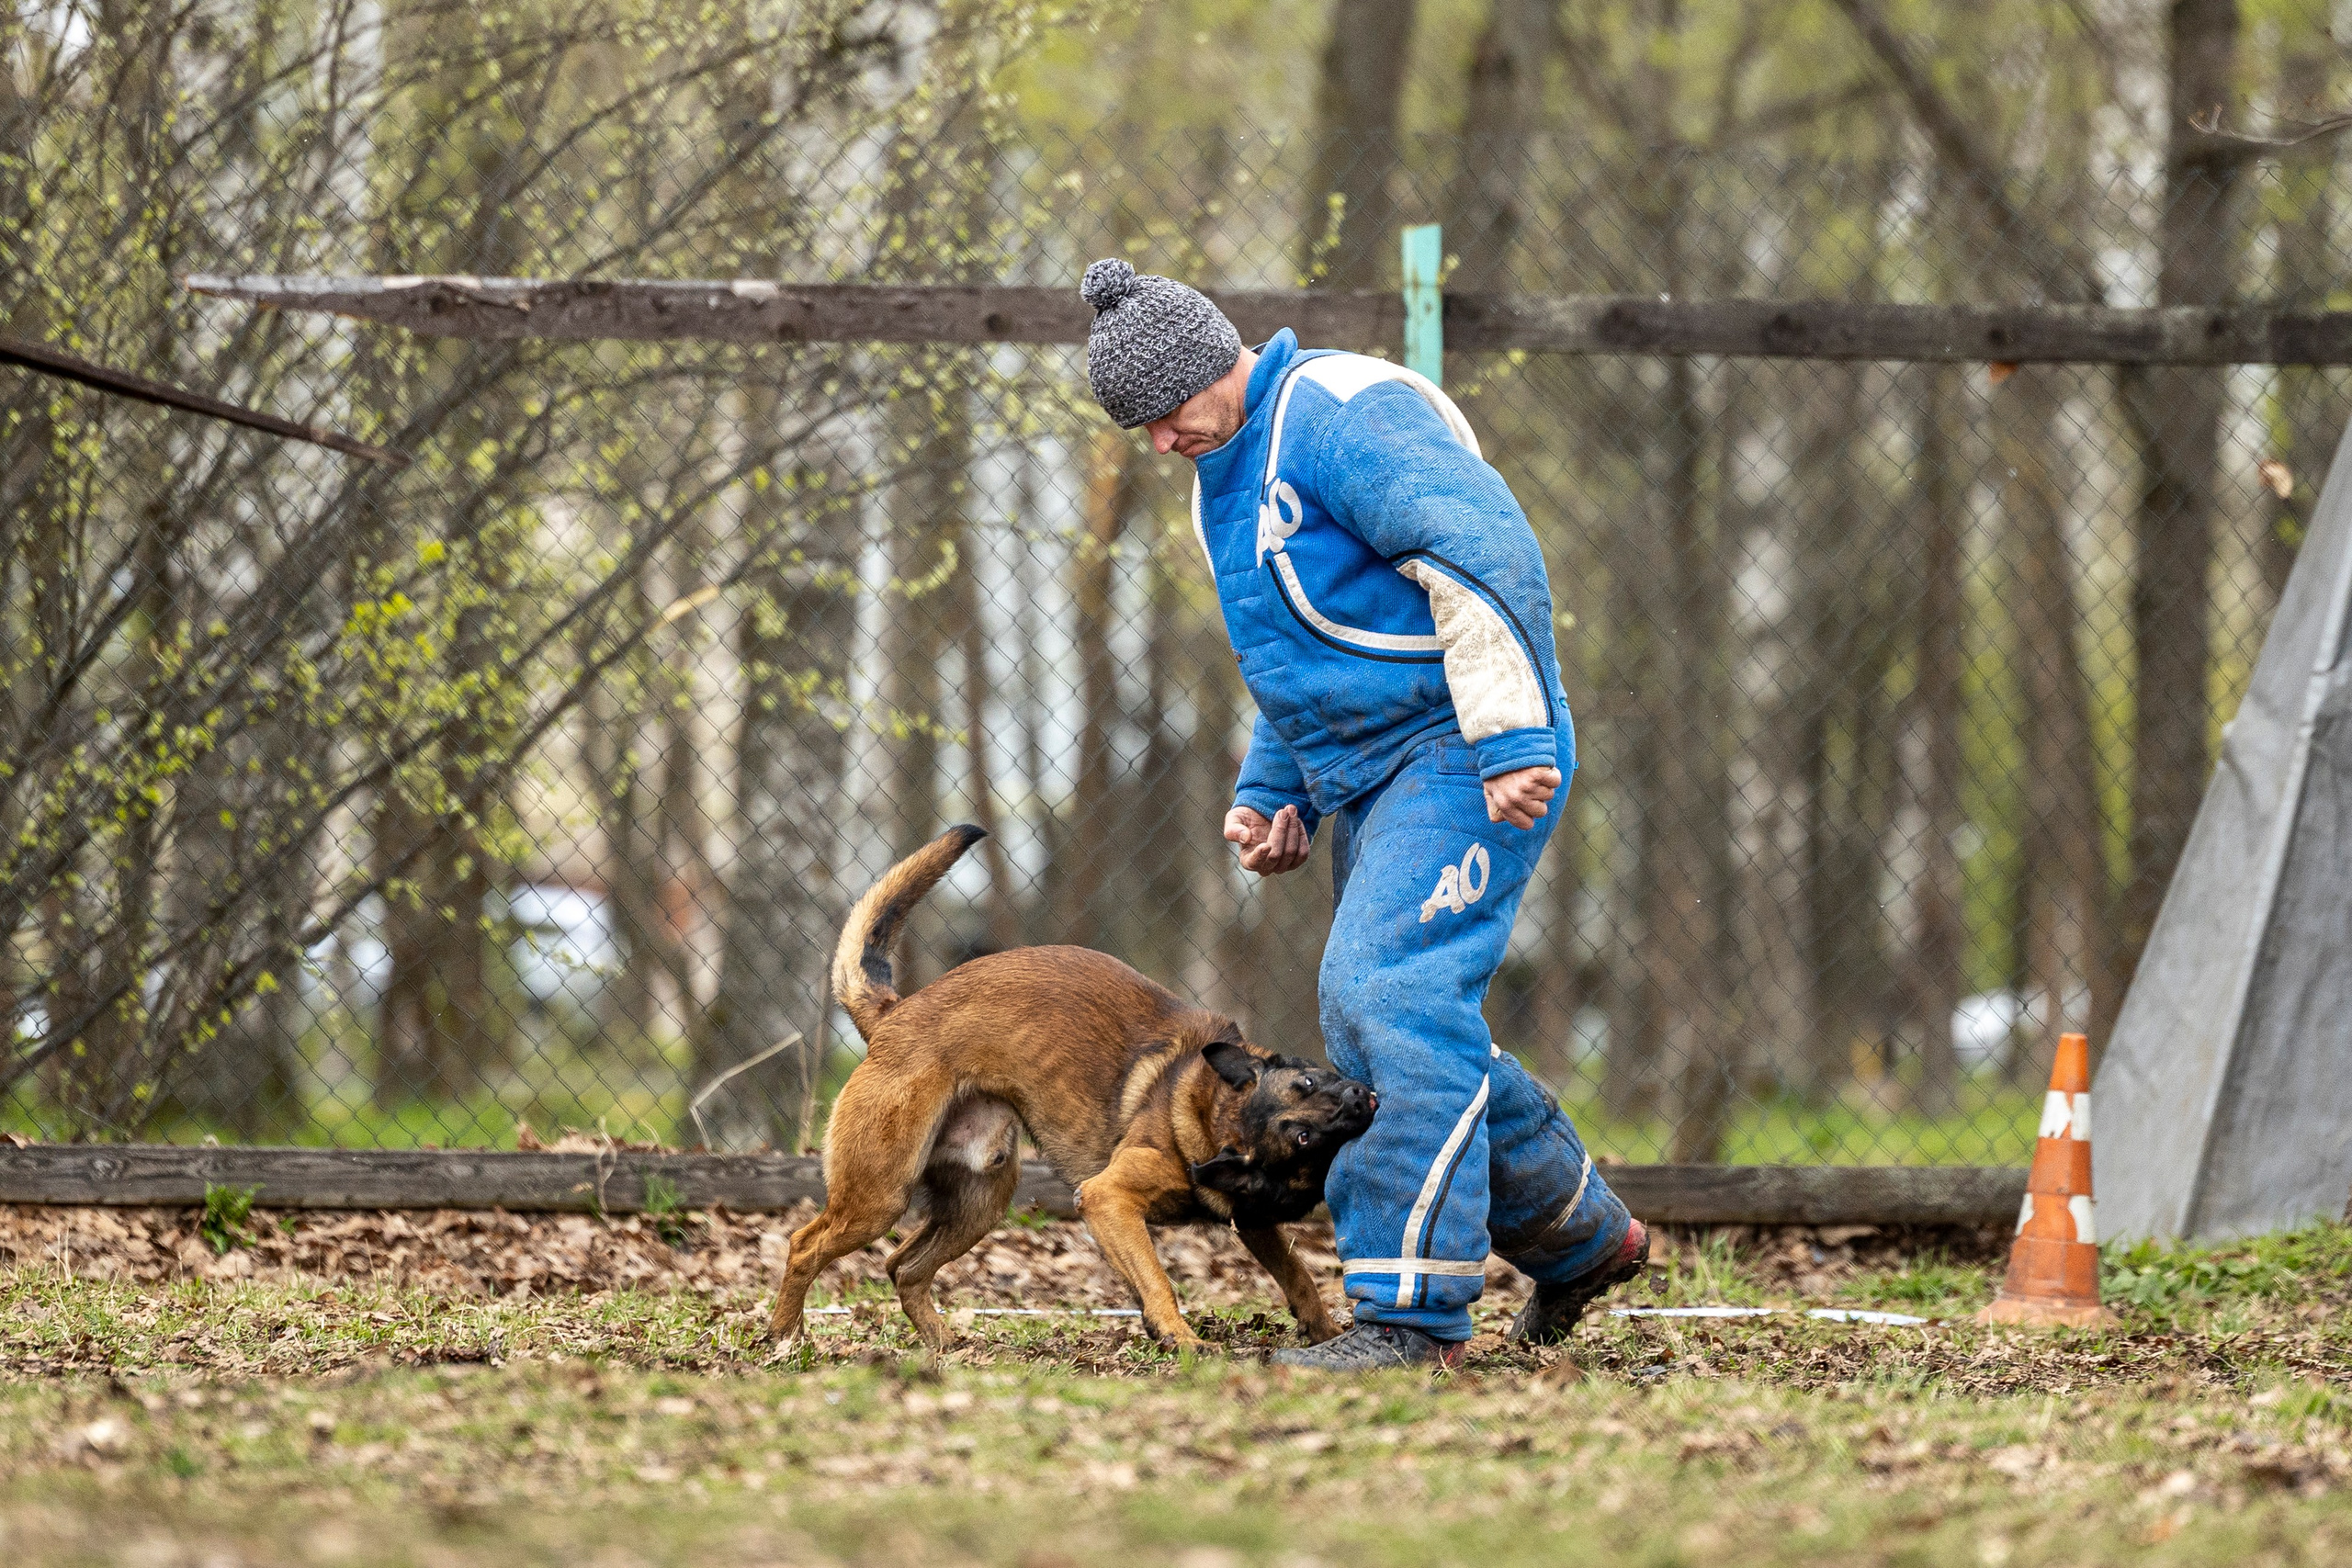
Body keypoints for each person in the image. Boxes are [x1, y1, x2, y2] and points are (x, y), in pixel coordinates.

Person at [1077, 257, 1649, 1371]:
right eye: (1136, 426)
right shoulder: (1223, 477)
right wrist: (1273, 792)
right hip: (1371, 773)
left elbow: (1485, 557)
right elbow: (1297, 661)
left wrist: (1512, 736)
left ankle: (1410, 1317)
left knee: (1382, 993)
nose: (1157, 442)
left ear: (1210, 367)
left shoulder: (1341, 415)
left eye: (1164, 413)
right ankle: (1579, 1239)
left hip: (1462, 747)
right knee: (1403, 1020)